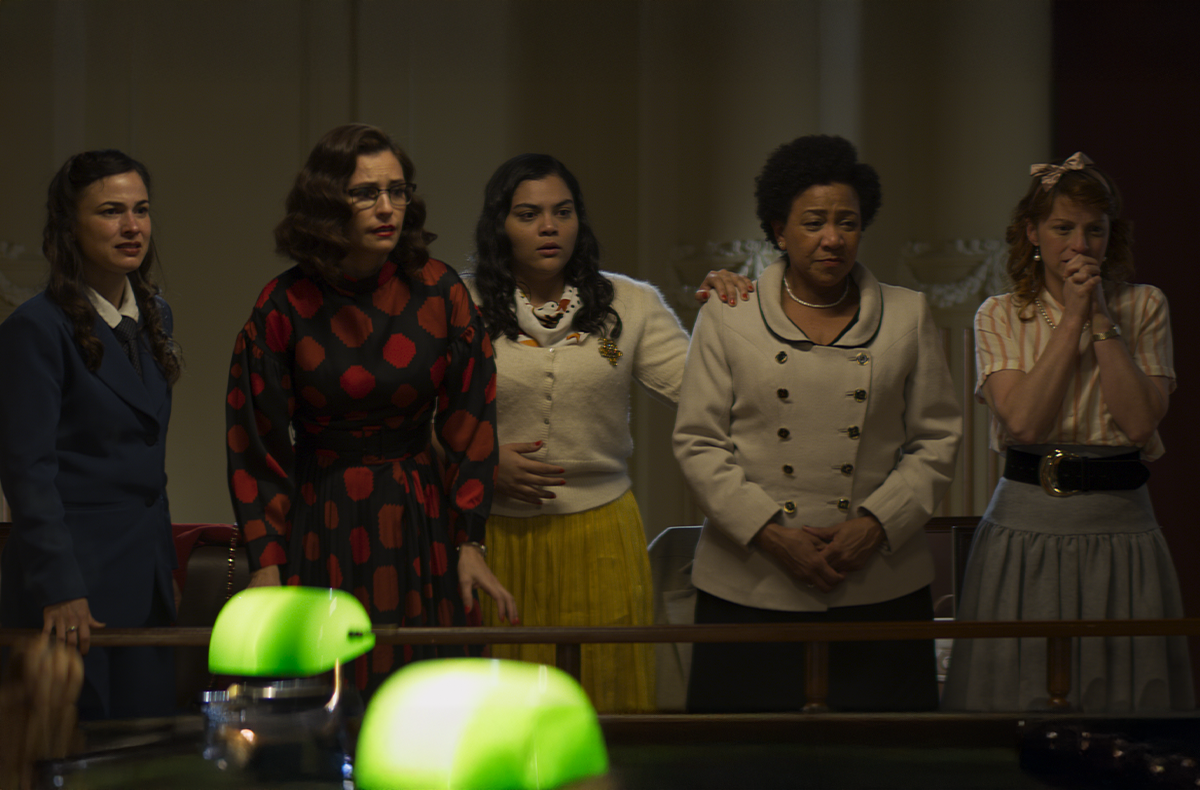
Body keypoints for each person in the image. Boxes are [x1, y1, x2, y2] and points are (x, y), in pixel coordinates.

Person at [673, 135, 962, 712]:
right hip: (750, 583)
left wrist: (875, 524)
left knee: (883, 755)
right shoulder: (728, 316)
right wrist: (771, 534)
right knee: (745, 755)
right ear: (779, 230)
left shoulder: (908, 314)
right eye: (814, 222)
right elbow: (699, 443)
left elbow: (937, 439)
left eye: (847, 222)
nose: (833, 238)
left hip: (878, 582)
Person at [225, 124, 515, 697]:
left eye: (397, 191)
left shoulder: (440, 291)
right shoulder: (284, 304)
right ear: (328, 204)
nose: (387, 209)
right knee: (325, 696)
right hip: (321, 513)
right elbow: (255, 443)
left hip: (417, 515)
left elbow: (472, 425)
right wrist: (265, 561)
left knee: (421, 698)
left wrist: (470, 540)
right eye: (366, 194)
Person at [941, 153, 1193, 712]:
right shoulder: (999, 314)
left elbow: (1140, 422)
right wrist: (1072, 318)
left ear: (1110, 235)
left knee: (1122, 703)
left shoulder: (1144, 305)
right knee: (1018, 692)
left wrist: (1099, 316)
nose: (1080, 245)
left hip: (1121, 527)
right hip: (1026, 526)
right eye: (1063, 228)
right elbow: (1024, 422)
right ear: (1033, 232)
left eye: (1094, 230)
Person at [466, 153, 696, 713]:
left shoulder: (628, 305)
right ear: (500, 225)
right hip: (494, 535)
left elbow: (707, 390)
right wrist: (481, 460)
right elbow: (414, 415)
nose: (549, 227)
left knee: (604, 698)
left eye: (562, 212)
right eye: (529, 215)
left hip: (601, 534)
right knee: (508, 709)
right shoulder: (461, 303)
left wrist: (738, 309)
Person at [0, 150, 181, 720]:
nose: (132, 226)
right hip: (75, 584)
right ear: (69, 226)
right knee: (77, 749)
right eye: (110, 211)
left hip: (146, 578)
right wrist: (59, 586)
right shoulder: (35, 328)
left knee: (147, 747)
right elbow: (28, 472)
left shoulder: (155, 315)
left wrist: (163, 569)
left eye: (141, 210)